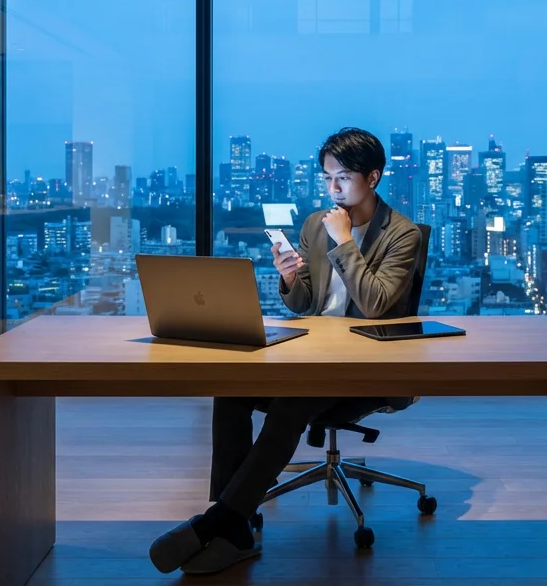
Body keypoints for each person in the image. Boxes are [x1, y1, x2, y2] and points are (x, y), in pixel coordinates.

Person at [149, 127, 423, 575]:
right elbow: (306, 304)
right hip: (314, 350)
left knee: (293, 402)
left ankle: (221, 523)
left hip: (366, 365)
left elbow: (375, 304)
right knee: (231, 388)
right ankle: (233, 516)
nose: (333, 189)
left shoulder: (401, 235)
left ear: (373, 178)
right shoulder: (316, 224)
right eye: (327, 178)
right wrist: (291, 279)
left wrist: (345, 243)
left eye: (344, 178)